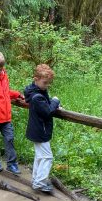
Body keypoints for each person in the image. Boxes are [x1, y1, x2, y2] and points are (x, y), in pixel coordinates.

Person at [24, 64, 60, 193]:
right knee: (47, 157)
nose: (46, 86)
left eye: (48, 83)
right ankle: (40, 182)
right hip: (41, 131)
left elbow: (46, 103)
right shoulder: (37, 97)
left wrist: (52, 104)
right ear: (36, 79)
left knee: (40, 156)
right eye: (45, 83)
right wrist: (55, 102)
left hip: (37, 130)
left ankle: (36, 180)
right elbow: (47, 112)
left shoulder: (37, 92)